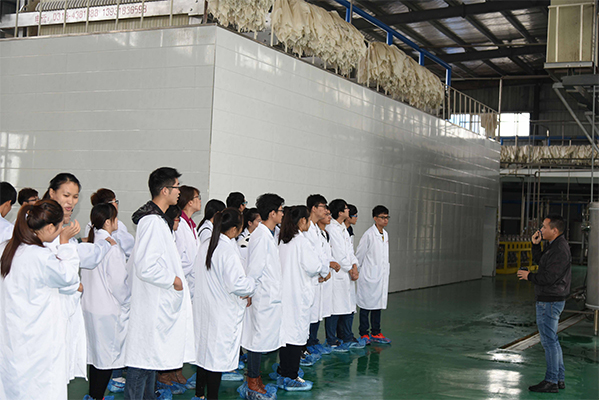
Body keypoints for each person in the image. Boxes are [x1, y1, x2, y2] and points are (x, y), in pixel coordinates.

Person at [124, 167, 195, 400]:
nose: (179, 192)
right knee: (142, 361)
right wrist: (174, 280)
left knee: (150, 360)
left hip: (157, 302)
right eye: (176, 187)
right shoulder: (152, 222)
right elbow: (146, 266)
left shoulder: (159, 220)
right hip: (152, 303)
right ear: (165, 190)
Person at [0, 200, 81, 400]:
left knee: (14, 387)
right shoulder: (41, 256)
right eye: (60, 227)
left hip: (13, 335)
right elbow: (69, 276)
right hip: (38, 339)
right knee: (41, 389)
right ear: (50, 227)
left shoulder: (7, 249)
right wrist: (65, 244)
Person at [43, 173, 116, 382]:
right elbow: (54, 270)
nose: (71, 202)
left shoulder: (61, 228)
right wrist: (74, 284)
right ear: (52, 193)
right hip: (46, 311)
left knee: (57, 373)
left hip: (60, 309)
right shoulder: (45, 229)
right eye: (66, 195)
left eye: (75, 197)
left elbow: (80, 257)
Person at [192, 208, 256, 400]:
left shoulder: (207, 244)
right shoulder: (226, 250)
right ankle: (211, 397)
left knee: (204, 354)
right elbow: (236, 284)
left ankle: (199, 394)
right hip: (221, 311)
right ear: (235, 229)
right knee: (215, 359)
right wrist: (251, 283)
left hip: (205, 308)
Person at [81, 203, 130, 400]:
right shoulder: (111, 247)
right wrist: (128, 301)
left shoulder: (91, 243)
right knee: (106, 360)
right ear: (108, 222)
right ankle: (97, 396)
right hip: (108, 311)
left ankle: (94, 396)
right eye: (115, 218)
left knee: (95, 358)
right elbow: (118, 284)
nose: (117, 222)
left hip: (89, 307)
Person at [518, 214, 572, 393]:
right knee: (552, 340)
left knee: (549, 342)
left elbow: (549, 277)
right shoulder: (554, 246)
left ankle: (551, 381)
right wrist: (536, 245)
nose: (541, 230)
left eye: (544, 227)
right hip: (551, 298)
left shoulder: (559, 249)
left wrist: (529, 276)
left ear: (554, 230)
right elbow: (542, 262)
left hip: (549, 300)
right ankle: (558, 378)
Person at [240, 193, 285, 399]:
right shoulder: (260, 236)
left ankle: (256, 378)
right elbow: (254, 268)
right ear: (272, 213)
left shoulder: (268, 234)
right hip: (262, 296)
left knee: (260, 338)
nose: (283, 214)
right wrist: (249, 291)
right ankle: (252, 380)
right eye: (281, 210)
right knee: (256, 340)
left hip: (268, 295)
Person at [276, 205, 321, 391]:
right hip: (297, 296)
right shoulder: (301, 242)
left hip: (285, 295)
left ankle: (284, 370)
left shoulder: (283, 241)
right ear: (302, 220)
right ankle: (291, 375)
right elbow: (313, 266)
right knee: (296, 335)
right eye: (308, 219)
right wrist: (322, 266)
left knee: (286, 335)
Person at [325, 199, 365, 351]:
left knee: (348, 307)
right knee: (334, 309)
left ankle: (346, 336)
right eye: (347, 209)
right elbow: (339, 254)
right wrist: (350, 269)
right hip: (338, 274)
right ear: (340, 212)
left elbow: (349, 251)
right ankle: (331, 340)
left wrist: (354, 266)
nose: (349, 211)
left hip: (347, 273)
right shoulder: (332, 228)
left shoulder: (343, 228)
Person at [304, 195, 337, 357]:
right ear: (314, 208)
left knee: (316, 312)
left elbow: (322, 255)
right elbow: (311, 256)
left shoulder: (317, 230)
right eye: (323, 207)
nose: (326, 210)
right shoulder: (307, 229)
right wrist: (323, 271)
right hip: (312, 277)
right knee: (309, 313)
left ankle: (313, 342)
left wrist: (325, 271)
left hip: (319, 276)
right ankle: (307, 345)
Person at [356, 205, 392, 345]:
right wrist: (356, 270)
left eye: (387, 217)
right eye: (382, 217)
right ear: (375, 218)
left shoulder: (385, 234)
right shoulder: (369, 234)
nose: (385, 220)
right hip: (368, 275)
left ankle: (376, 332)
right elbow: (360, 254)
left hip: (380, 275)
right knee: (366, 306)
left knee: (378, 304)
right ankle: (364, 333)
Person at [84, 188, 135, 257]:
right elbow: (130, 249)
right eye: (115, 201)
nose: (117, 205)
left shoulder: (90, 225)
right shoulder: (117, 225)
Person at [175, 186, 202, 299]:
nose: (200, 200)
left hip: (191, 281)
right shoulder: (179, 225)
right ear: (189, 202)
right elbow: (179, 256)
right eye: (197, 197)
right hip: (182, 280)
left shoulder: (190, 224)